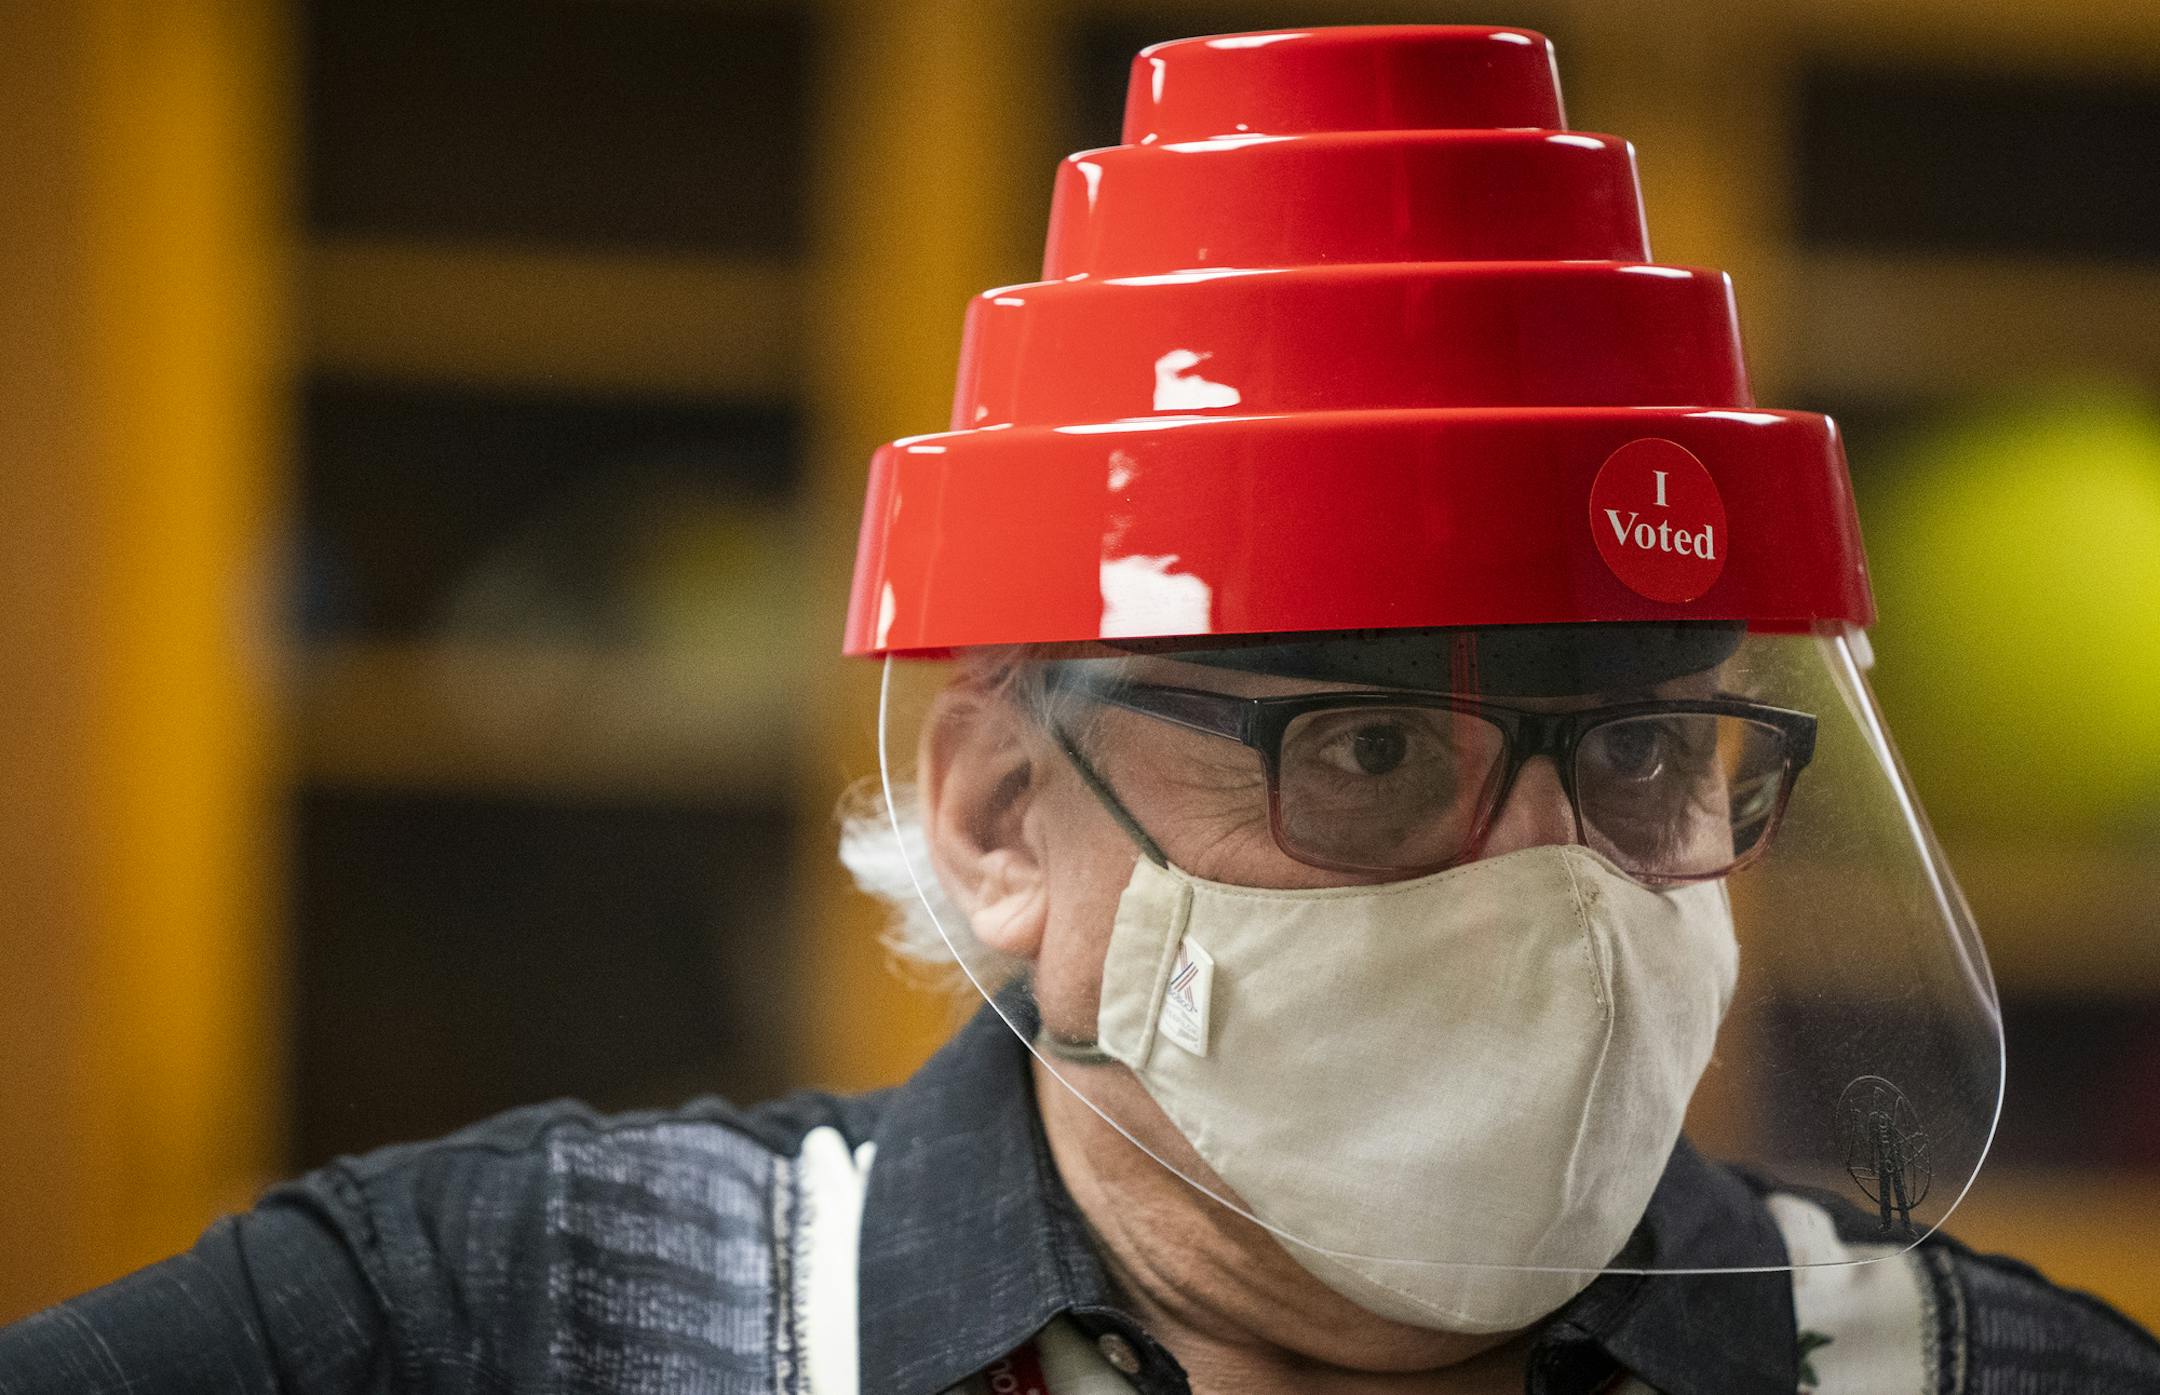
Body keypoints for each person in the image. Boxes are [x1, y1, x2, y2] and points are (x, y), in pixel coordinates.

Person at [4, 23, 2158, 1395]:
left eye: (1643, 750)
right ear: (1001, 816)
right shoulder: (506, 1322)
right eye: (1371, 745)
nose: (1559, 891)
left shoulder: (1985, 1378)